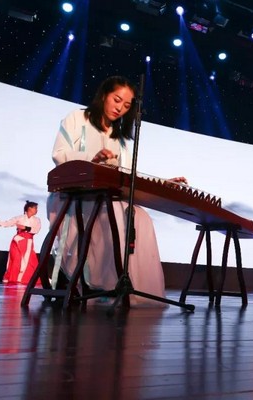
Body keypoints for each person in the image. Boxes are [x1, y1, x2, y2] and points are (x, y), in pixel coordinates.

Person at [49, 75, 186, 307]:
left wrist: (162, 183)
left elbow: (128, 175)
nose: (120, 108)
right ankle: (95, 283)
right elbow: (59, 154)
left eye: (127, 105)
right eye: (117, 100)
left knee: (140, 217)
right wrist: (91, 159)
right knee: (116, 213)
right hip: (74, 195)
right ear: (104, 95)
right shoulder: (77, 118)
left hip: (105, 198)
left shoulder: (118, 138)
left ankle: (117, 283)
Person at [0, 201, 41, 284]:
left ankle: (23, 278)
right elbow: (7, 223)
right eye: (35, 208)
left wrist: (26, 228)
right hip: (17, 241)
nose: (37, 210)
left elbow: (36, 230)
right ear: (29, 208)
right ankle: (13, 278)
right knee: (15, 259)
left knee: (28, 260)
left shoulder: (37, 220)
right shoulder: (19, 218)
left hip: (28, 242)